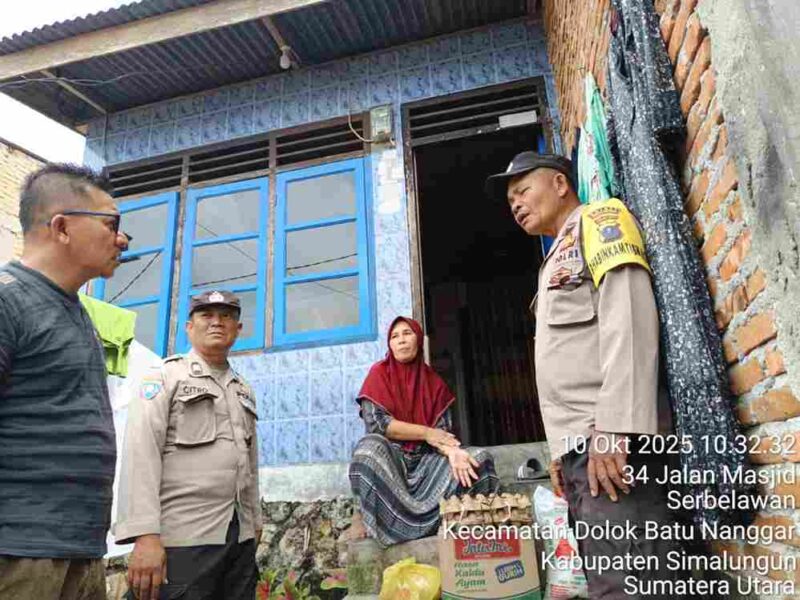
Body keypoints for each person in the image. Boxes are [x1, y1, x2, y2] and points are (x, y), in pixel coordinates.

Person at [486, 152, 682, 598]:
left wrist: (616, 423)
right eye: (509, 199)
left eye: (522, 190)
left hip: (615, 443)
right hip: (582, 451)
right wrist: (559, 453)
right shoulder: (553, 258)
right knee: (607, 580)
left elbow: (628, 314)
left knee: (634, 583)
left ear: (559, 184)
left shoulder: (599, 219)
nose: (514, 204)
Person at [0, 164, 129, 600]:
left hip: (81, 550)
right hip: (19, 554)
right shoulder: (7, 301)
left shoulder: (78, 313)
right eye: (111, 224)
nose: (122, 239)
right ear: (61, 227)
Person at [115, 291, 262, 600]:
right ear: (189, 327)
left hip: (238, 538)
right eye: (206, 316)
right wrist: (145, 536)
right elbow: (141, 455)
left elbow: (249, 464)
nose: (216, 323)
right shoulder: (164, 376)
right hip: (183, 536)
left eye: (226, 316)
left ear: (239, 329)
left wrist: (255, 522)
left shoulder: (242, 389)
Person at [349, 316, 499, 546]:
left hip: (426, 464)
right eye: (394, 336)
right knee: (367, 452)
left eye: (407, 333)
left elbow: (442, 434)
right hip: (393, 464)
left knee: (479, 460)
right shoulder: (378, 374)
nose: (401, 340)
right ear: (389, 344)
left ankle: (443, 518)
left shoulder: (435, 383)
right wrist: (427, 433)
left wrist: (454, 453)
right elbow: (378, 424)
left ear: (418, 340)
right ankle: (377, 519)